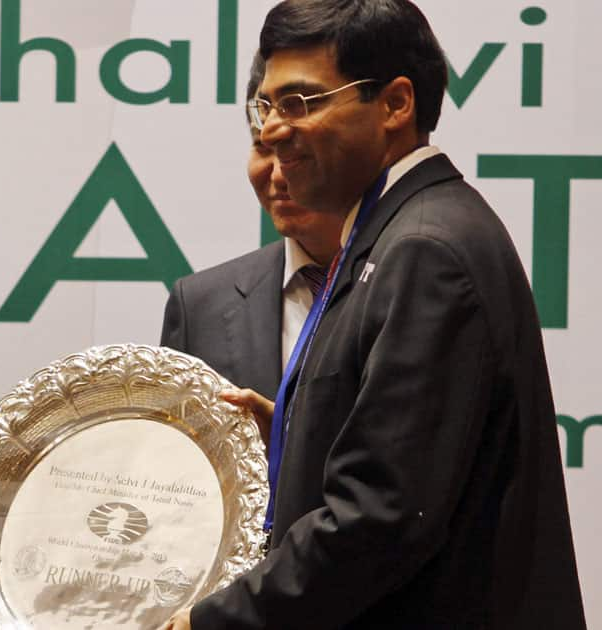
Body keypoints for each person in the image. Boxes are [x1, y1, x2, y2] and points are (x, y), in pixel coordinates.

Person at [167, 1, 586, 628]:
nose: (276, 131)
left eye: (302, 103)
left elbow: (381, 517)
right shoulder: (397, 233)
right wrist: (291, 436)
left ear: (395, 103)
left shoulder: (422, 248)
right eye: (268, 108)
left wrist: (209, 621)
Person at [161, 51, 344, 400]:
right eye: (263, 148)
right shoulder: (200, 305)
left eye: (296, 152)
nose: (278, 174)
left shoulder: (407, 281)